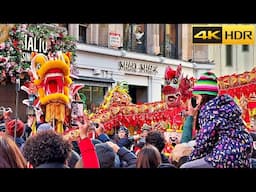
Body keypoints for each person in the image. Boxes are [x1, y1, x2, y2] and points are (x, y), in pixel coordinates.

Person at [180, 71, 253, 168]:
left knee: (185, 167)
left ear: (202, 96)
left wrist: (189, 159)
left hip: (225, 157)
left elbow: (205, 142)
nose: (195, 102)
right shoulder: (226, 107)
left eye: (196, 97)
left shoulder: (209, 110)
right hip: (242, 156)